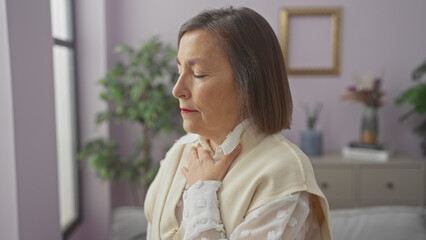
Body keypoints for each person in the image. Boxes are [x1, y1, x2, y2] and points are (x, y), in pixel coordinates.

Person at [144, 6, 332, 240]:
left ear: (249, 84)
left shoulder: (283, 173)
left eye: (199, 74)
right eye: (179, 70)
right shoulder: (180, 152)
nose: (177, 90)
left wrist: (202, 191)